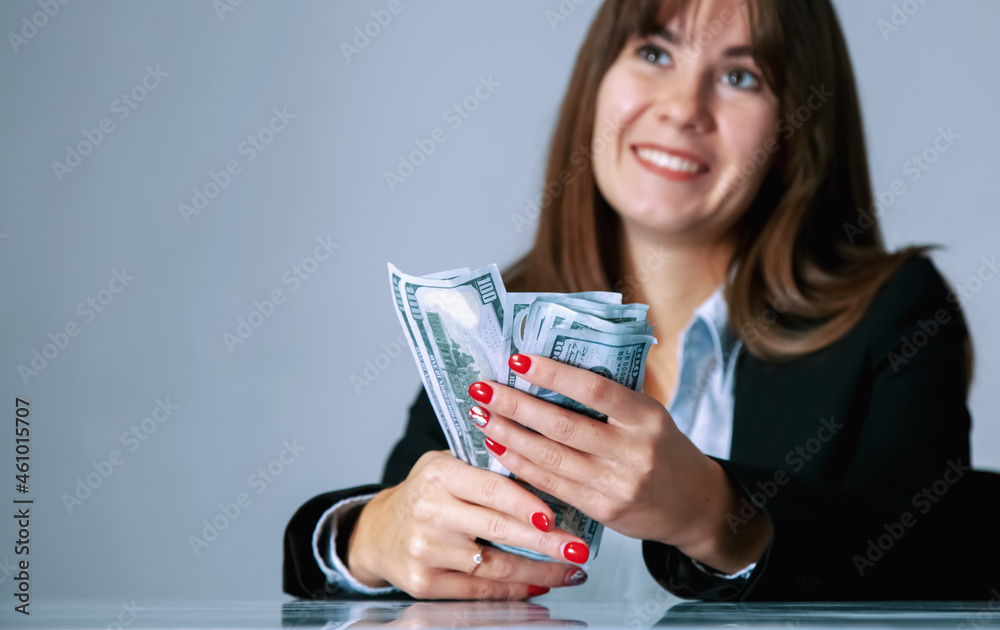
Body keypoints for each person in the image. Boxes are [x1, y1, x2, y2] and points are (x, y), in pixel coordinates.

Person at [284, 0, 994, 602]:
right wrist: (368, 536)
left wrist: (721, 516)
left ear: (793, 132)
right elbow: (401, 526)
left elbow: (938, 551)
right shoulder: (499, 318)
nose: (684, 109)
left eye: (741, 77)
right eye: (656, 53)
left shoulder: (894, 311)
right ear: (600, 81)